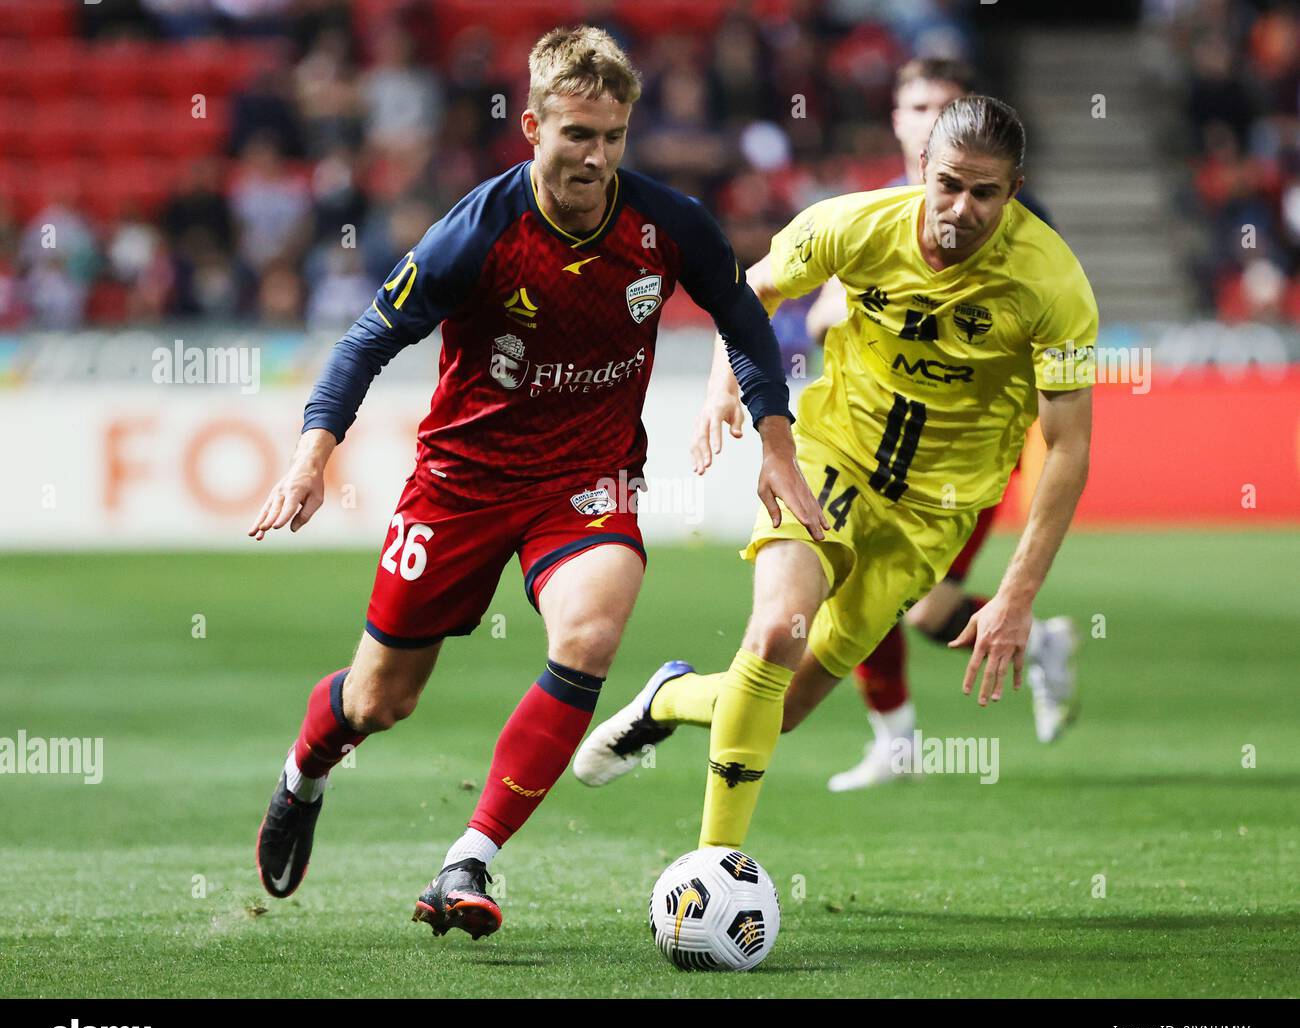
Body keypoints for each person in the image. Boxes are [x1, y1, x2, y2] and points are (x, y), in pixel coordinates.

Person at [248, 25, 825, 939]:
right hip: (462, 482)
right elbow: (366, 340)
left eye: (612, 138)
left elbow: (744, 318)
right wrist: (311, 455)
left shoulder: (667, 225)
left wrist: (777, 444)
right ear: (532, 126)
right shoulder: (474, 235)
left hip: (586, 477)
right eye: (576, 136)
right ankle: (305, 770)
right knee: (380, 701)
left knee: (592, 631)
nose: (596, 158)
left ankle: (468, 859)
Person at [574, 96, 1097, 855]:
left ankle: (671, 695)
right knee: (776, 631)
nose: (962, 207)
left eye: (986, 192)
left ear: (1013, 192)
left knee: (779, 708)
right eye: (949, 183)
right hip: (829, 457)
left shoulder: (1051, 283)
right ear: (922, 169)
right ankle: (715, 866)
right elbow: (750, 289)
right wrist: (727, 384)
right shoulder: (854, 225)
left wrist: (1016, 597)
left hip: (929, 516)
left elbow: (1069, 448)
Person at [802, 59, 1078, 792]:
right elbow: (812, 306)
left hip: (964, 453)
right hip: (879, 437)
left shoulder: (1020, 224)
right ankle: (903, 732)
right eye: (918, 104)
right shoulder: (875, 213)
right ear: (898, 121)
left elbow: (1047, 332)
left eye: (946, 105)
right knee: (888, 595)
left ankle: (909, 726)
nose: (930, 116)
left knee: (899, 597)